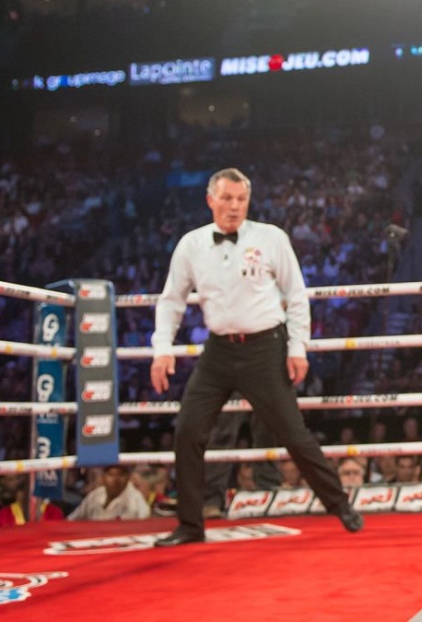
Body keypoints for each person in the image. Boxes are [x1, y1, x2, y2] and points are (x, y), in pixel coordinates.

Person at [150, 167, 362, 547]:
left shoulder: (270, 237)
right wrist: (161, 349)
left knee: (293, 433)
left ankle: (340, 505)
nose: (234, 206)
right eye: (227, 198)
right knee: (188, 430)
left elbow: (296, 294)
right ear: (210, 199)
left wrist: (298, 348)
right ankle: (190, 524)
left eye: (241, 199)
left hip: (266, 347)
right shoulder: (191, 245)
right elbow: (171, 301)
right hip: (217, 350)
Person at [68, 465, 151, 521]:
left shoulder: (135, 499)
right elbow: (73, 519)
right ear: (103, 477)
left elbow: (145, 523)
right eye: (111, 474)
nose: (116, 479)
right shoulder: (95, 495)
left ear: (128, 477)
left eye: (121, 474)